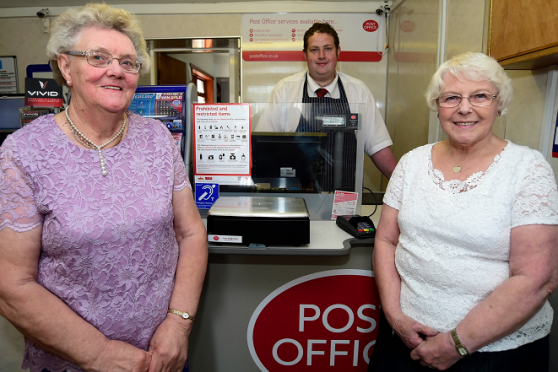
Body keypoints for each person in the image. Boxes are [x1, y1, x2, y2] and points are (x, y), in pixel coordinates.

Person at [0, 4, 208, 372]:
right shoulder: (23, 153)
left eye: (128, 62)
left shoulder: (158, 140)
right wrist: (97, 353)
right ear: (66, 67)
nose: (116, 70)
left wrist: (178, 322)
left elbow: (190, 232)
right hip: (72, 361)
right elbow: (12, 283)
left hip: (162, 356)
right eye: (98, 57)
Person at [369, 52, 558, 371]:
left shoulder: (528, 170)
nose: (464, 108)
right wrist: (396, 317)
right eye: (451, 97)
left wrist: (457, 342)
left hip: (493, 354)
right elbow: (386, 241)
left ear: (500, 104)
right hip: (403, 340)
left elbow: (536, 278)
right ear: (437, 106)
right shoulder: (412, 162)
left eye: (480, 96)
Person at [256, 23, 396, 190]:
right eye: (314, 49)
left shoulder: (358, 90)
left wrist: (407, 188)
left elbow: (378, 148)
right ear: (305, 54)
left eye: (327, 48)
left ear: (338, 52)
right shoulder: (285, 90)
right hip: (296, 199)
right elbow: (264, 147)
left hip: (345, 200)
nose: (321, 55)